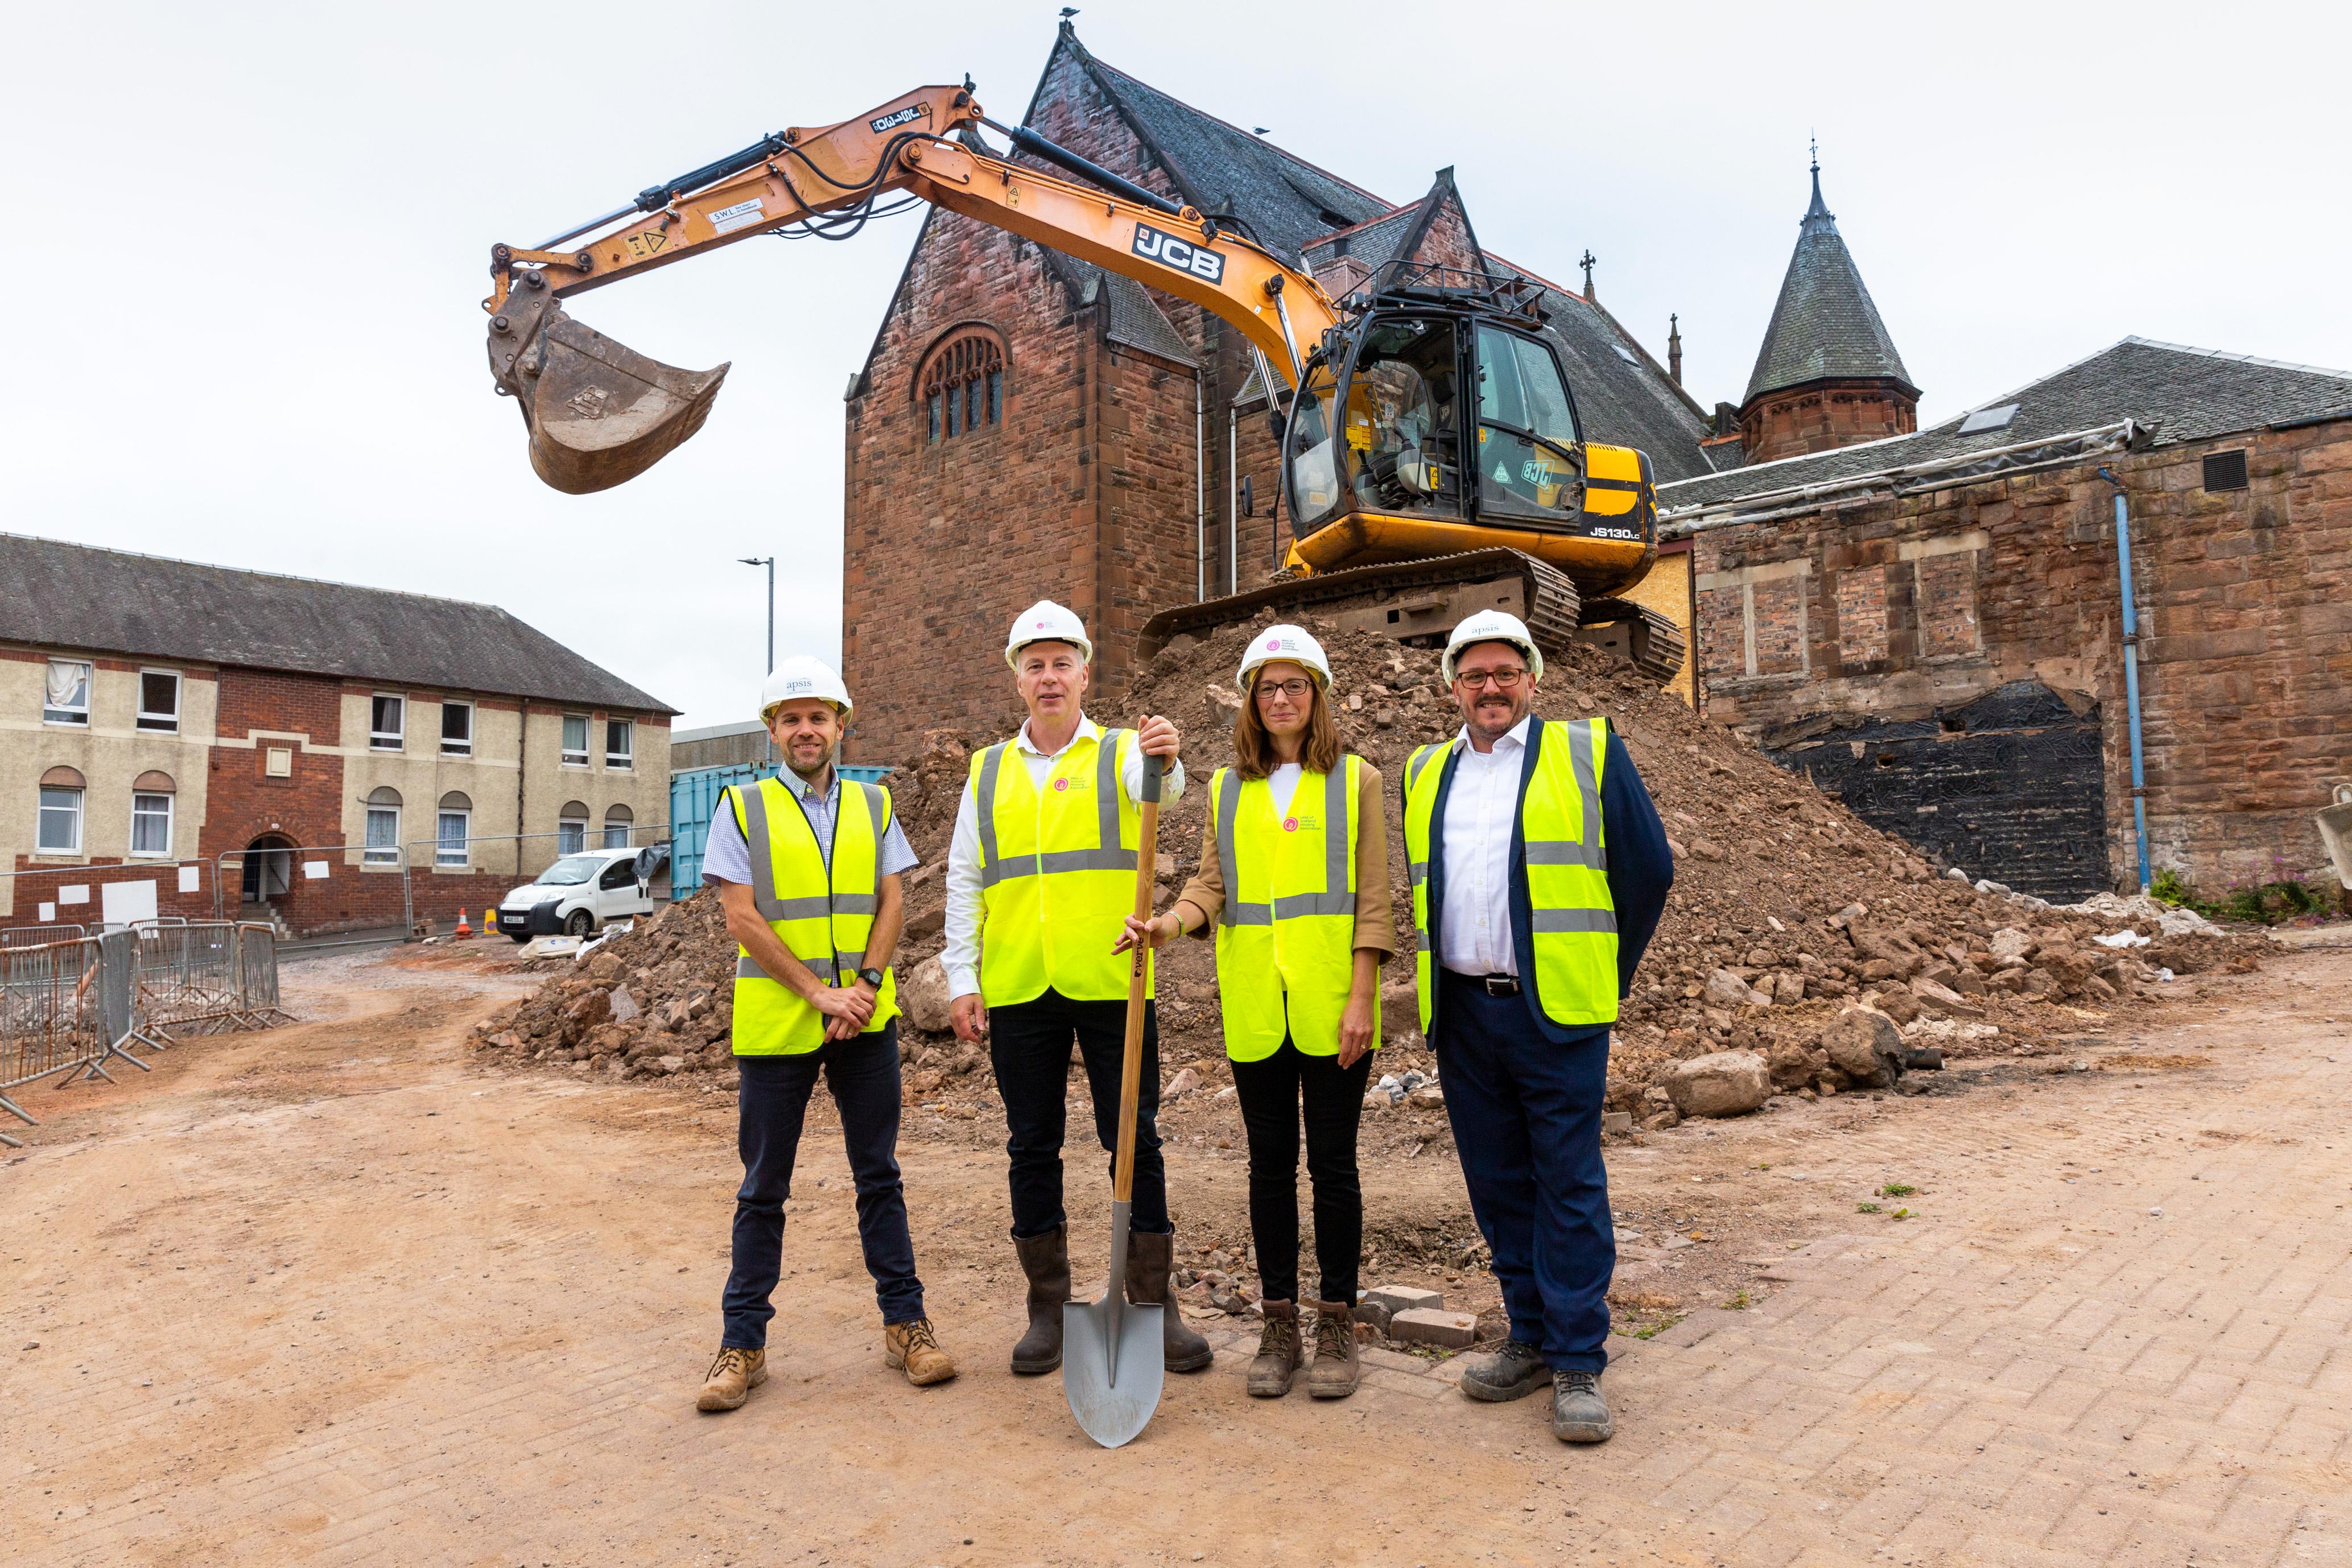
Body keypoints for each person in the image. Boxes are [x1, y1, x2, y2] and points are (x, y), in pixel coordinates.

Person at [1399, 610, 1672, 1445]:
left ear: (1531, 679)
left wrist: (1597, 973)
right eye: (1473, 675)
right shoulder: (1422, 771)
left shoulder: (1586, 752)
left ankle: (1579, 1359)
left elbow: (1647, 870)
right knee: (1497, 1181)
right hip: (1463, 1010)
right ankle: (1527, 1335)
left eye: (1503, 673)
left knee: (1568, 1183)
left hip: (1554, 1011)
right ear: (1452, 686)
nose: (1489, 688)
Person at [1119, 624, 1393, 1400]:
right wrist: (1167, 925)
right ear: (1250, 699)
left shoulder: (1357, 780)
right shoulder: (1227, 789)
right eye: (1267, 688)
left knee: (1333, 1168)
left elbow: (1373, 901)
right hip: (1252, 1005)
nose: (1280, 700)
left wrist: (1362, 996)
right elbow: (1212, 887)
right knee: (1270, 1169)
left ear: (1317, 695)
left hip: (1329, 1003)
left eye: (1294, 686)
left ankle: (1336, 1319)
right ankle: (1280, 1324)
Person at [945, 600, 1212, 1379]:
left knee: (1133, 1140)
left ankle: (1153, 1308)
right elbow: (966, 879)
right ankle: (1048, 1309)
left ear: (1085, 674)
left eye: (1062, 662)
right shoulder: (987, 770)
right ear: (1017, 680)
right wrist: (964, 978)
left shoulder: (1124, 751)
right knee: (1031, 1146)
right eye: (1035, 665)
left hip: (1112, 982)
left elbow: (1165, 782)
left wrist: (1167, 755)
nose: (1049, 676)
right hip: (1021, 983)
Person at [695, 656, 955, 1413]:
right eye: (791, 718)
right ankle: (742, 1344)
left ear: (840, 724)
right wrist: (819, 994)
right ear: (773, 730)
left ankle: (906, 1327)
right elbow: (740, 917)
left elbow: (893, 900)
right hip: (781, 1022)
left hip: (864, 1018)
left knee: (878, 1175)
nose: (806, 730)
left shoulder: (874, 804)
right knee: (763, 1189)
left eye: (819, 717)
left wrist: (866, 988)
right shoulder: (741, 806)